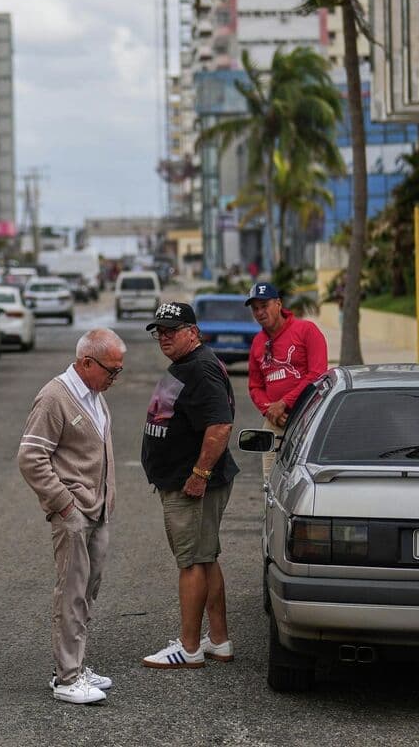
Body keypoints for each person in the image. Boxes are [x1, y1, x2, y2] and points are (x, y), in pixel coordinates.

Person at [17, 328, 124, 705]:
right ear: (86, 363)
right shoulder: (54, 397)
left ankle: (75, 663)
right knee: (72, 592)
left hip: (96, 511)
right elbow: (30, 457)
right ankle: (67, 677)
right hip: (74, 513)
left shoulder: (93, 394)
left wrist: (106, 496)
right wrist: (64, 504)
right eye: (112, 370)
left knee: (88, 591)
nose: (115, 378)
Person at [139, 301, 236, 669]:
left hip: (192, 485)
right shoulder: (188, 365)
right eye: (159, 331)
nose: (163, 337)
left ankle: (190, 647)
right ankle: (219, 640)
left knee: (192, 562)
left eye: (172, 330)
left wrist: (199, 475)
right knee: (205, 558)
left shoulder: (201, 370)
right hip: (185, 480)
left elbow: (220, 425)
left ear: (192, 332)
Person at [244, 282, 328, 430]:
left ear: (278, 304)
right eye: (255, 309)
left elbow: (317, 374)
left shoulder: (306, 330)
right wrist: (270, 410)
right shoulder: (257, 342)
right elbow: (255, 386)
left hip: (309, 417)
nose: (260, 312)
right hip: (275, 420)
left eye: (264, 306)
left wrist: (284, 403)